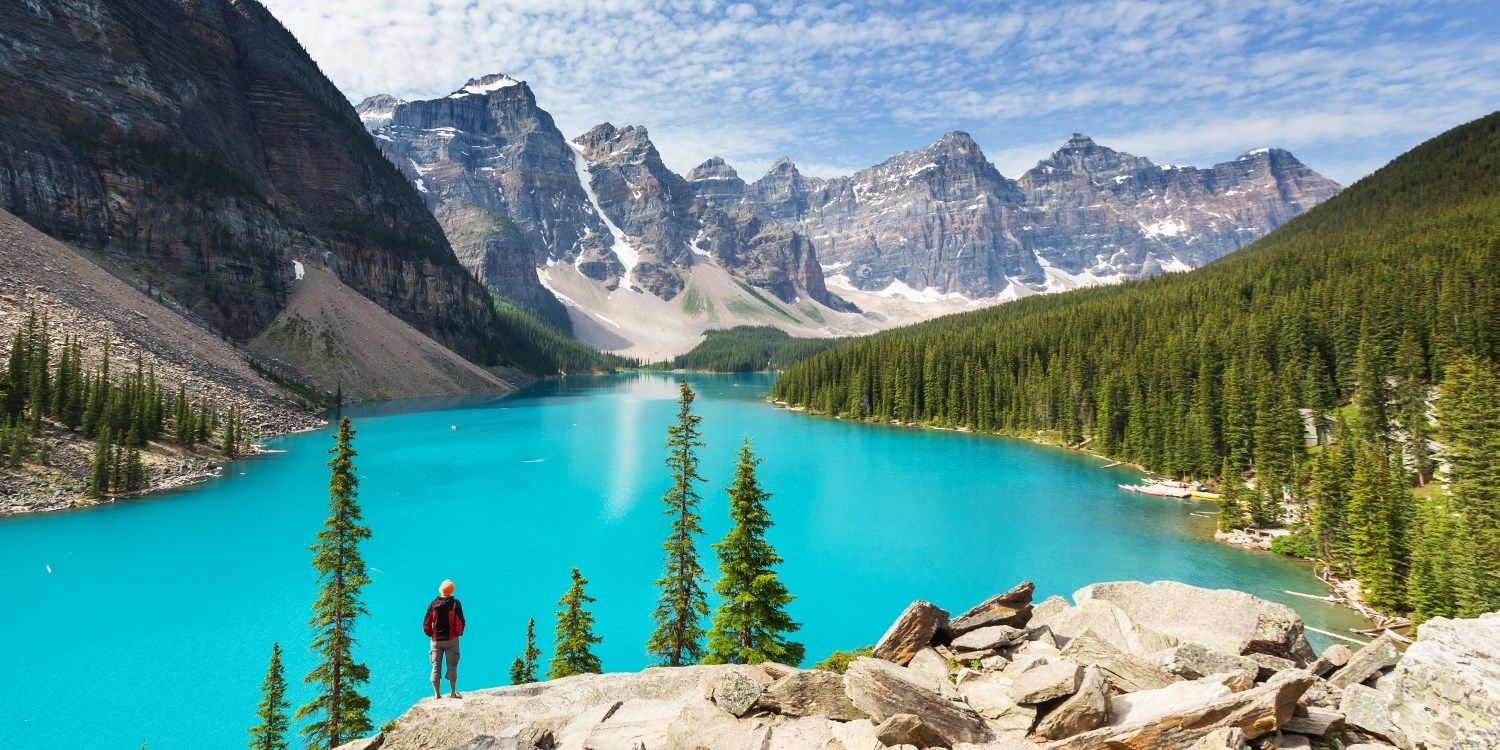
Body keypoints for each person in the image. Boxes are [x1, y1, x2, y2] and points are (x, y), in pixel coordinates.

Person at [423, 579, 466, 699]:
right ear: (452, 591)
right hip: (451, 640)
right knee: (452, 666)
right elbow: (460, 622)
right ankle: (452, 693)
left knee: (436, 666)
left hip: (436, 640)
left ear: (440, 589)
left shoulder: (432, 604)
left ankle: (437, 695)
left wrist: (430, 634)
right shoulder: (455, 604)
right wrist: (458, 633)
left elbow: (426, 624)